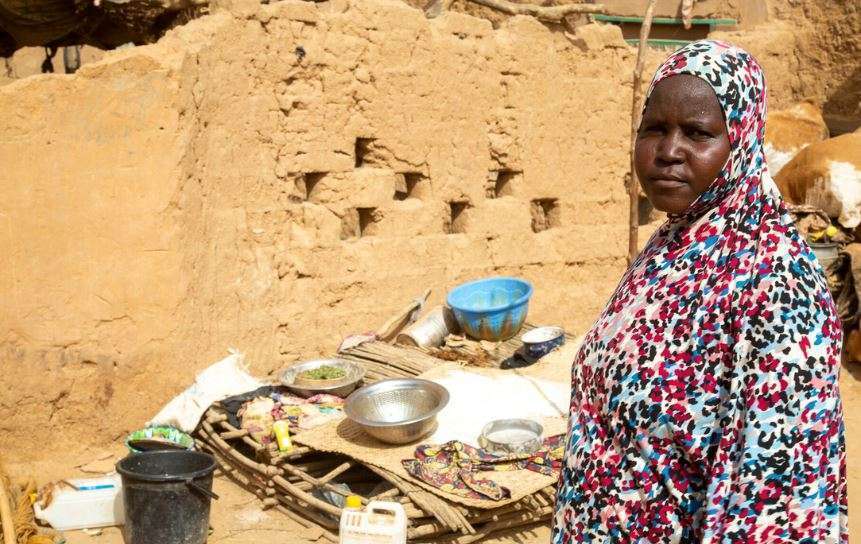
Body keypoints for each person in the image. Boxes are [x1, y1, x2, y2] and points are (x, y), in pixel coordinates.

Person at [552, 40, 847, 543]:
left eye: (698, 133)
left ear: (741, 145)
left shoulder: (775, 284)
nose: (668, 152)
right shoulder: (674, 244)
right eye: (655, 130)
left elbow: (779, 506)